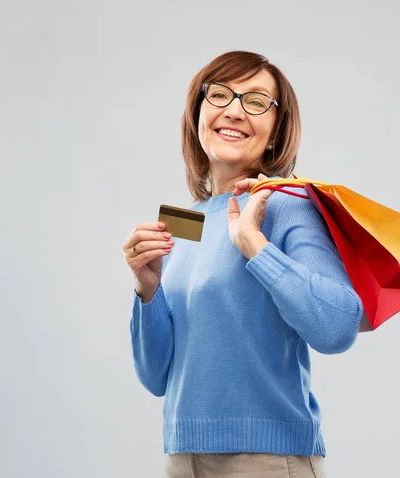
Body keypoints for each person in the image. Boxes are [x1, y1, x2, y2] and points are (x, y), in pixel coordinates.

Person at [123, 50, 363, 478]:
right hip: (181, 459)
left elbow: (338, 327)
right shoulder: (186, 222)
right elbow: (157, 377)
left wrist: (256, 247)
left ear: (274, 132)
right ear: (198, 112)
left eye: (255, 102)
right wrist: (148, 290)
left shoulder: (289, 206)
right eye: (220, 95)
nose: (234, 111)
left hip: (266, 461)